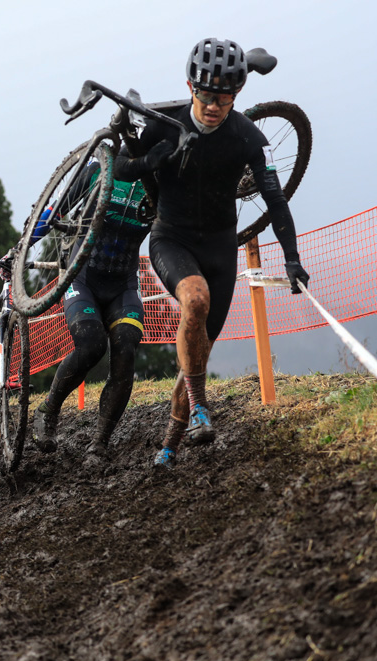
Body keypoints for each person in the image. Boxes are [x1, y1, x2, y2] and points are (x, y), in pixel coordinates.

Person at [113, 37, 309, 468]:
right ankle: (204, 408)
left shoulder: (248, 137)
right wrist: (154, 159)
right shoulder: (164, 125)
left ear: (236, 95)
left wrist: (292, 257)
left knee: (197, 353)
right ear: (190, 86)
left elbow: (276, 200)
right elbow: (121, 167)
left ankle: (169, 446)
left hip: (221, 247)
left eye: (224, 98)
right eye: (205, 96)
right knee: (195, 300)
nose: (214, 106)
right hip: (171, 238)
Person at [33, 173, 151, 461]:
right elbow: (53, 213)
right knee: (91, 344)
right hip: (82, 280)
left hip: (123, 286)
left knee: (125, 346)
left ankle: (100, 441)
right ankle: (48, 409)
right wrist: (23, 244)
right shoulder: (99, 171)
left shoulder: (157, 181)